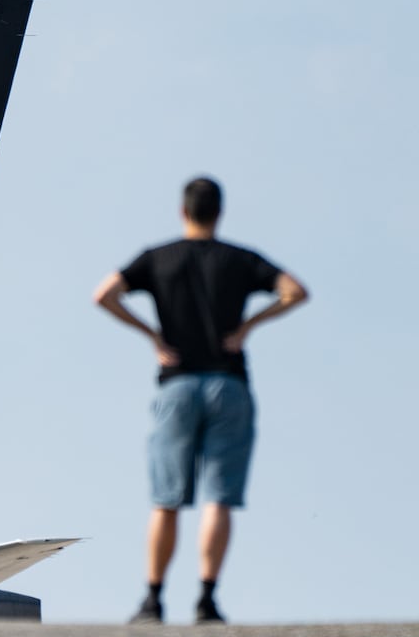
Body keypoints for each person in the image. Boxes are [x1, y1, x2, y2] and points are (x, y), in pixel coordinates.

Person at [92, 177, 308, 624]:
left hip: (176, 385)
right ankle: (207, 600)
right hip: (228, 384)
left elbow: (104, 294)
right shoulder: (241, 259)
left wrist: (152, 335)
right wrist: (248, 326)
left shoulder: (159, 257)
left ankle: (153, 600)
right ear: (219, 213)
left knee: (166, 499)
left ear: (182, 211)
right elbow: (295, 291)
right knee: (219, 498)